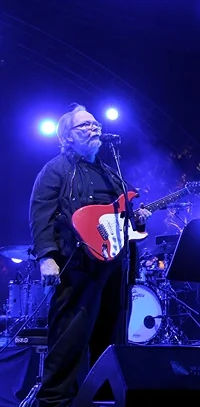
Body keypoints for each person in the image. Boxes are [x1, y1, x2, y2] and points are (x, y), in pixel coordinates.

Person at [30, 104, 151, 407]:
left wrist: (138, 219)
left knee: (111, 340)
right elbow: (40, 214)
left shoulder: (112, 174)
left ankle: (104, 400)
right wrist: (46, 257)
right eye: (84, 125)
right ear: (66, 137)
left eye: (95, 123)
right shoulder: (56, 169)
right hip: (77, 266)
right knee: (69, 339)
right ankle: (54, 401)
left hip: (114, 268)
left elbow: (124, 217)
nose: (94, 128)